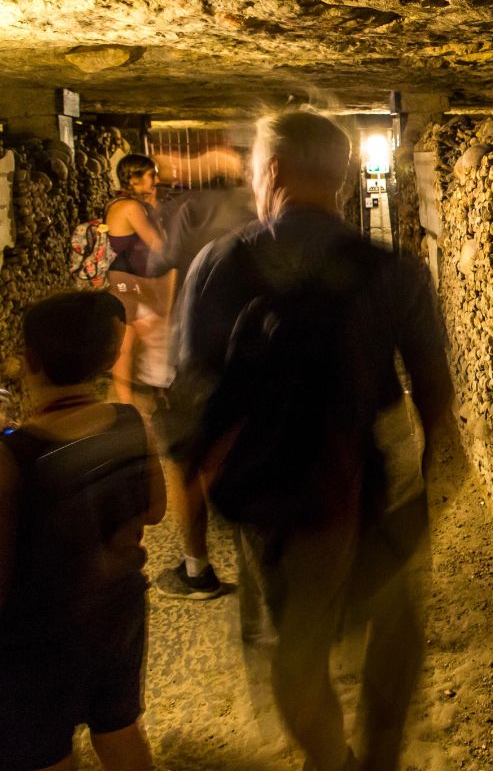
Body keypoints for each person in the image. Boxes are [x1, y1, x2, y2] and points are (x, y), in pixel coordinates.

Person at [172, 109, 452, 771]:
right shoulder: (395, 270)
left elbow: (193, 400)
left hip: (275, 497)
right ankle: (377, 759)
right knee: (394, 636)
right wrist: (430, 491)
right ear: (345, 176)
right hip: (375, 485)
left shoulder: (220, 264)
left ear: (270, 171)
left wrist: (197, 512)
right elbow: (437, 397)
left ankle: (330, 761)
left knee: (295, 652)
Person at [0, 291, 167, 771]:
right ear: (108, 357)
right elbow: (154, 510)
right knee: (119, 729)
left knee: (45, 752)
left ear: (29, 361)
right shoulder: (132, 422)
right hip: (118, 614)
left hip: (37, 639)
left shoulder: (17, 457)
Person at [151, 181, 257, 600]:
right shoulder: (259, 229)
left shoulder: (185, 217)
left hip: (193, 368)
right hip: (244, 368)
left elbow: (165, 280)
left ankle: (197, 571)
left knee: (184, 466)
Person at [104, 154, 175, 407]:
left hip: (128, 279)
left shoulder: (131, 204)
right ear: (133, 178)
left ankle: (128, 403)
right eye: (150, 175)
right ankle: (157, 391)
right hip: (128, 281)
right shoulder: (130, 207)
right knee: (155, 334)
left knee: (127, 343)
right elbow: (157, 243)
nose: (156, 179)